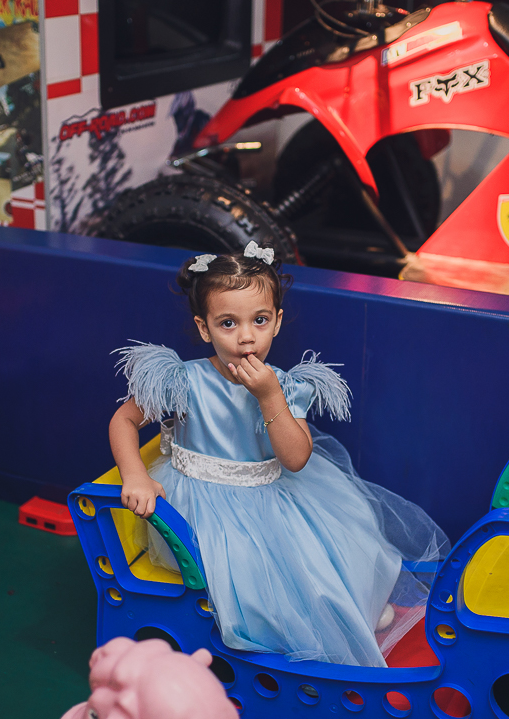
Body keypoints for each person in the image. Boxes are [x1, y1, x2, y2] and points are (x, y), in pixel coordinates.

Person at [109, 243, 449, 667]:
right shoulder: (183, 379)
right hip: (205, 508)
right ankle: (291, 635)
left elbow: (295, 459)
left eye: (260, 320)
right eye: (228, 323)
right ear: (204, 328)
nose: (246, 336)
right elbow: (122, 421)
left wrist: (270, 396)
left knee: (332, 553)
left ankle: (356, 609)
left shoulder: (285, 385)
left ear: (277, 322)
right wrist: (134, 475)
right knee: (259, 581)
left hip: (274, 494)